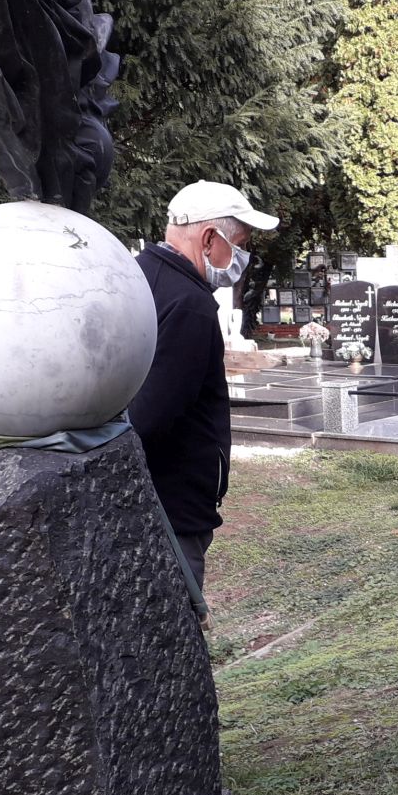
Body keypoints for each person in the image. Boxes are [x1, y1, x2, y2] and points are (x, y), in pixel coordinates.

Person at [128, 181, 279, 596]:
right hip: (173, 504)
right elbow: (151, 416)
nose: (243, 258)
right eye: (241, 245)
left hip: (145, 496)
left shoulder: (140, 275)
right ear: (210, 239)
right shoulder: (190, 305)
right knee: (174, 612)